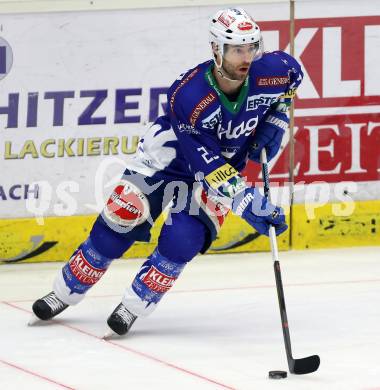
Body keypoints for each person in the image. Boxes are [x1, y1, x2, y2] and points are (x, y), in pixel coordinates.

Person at [31, 7, 303, 337]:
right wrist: (246, 202)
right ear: (216, 50)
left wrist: (276, 120)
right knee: (119, 222)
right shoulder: (188, 95)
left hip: (219, 172)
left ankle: (133, 306)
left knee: (182, 240)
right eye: (236, 50)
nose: (246, 57)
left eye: (251, 48)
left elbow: (288, 89)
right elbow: (207, 163)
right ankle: (64, 291)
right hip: (164, 165)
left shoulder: (277, 70)